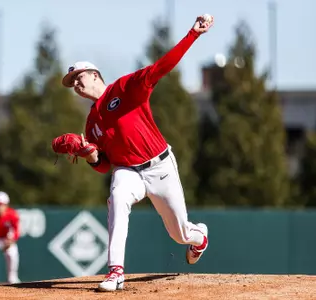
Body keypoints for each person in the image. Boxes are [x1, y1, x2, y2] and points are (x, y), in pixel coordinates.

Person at [60, 15, 214, 292]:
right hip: (127, 171)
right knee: (117, 197)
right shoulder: (92, 121)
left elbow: (161, 67)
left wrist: (193, 34)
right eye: (72, 83)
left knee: (179, 234)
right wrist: (88, 154)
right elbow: (104, 164)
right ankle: (115, 271)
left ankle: (199, 237)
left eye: (78, 77)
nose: (76, 85)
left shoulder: (125, 87)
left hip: (159, 165)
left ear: (95, 75)